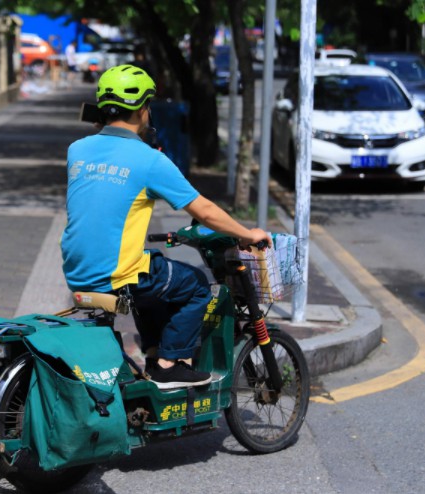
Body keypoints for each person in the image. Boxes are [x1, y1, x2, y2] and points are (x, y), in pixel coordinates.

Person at [60, 64, 271, 389]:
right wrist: (248, 234)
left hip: (77, 271)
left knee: (156, 271)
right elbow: (205, 211)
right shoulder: (151, 161)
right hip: (116, 274)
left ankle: (154, 353)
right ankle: (169, 363)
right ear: (144, 110)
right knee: (195, 285)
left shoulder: (77, 150)